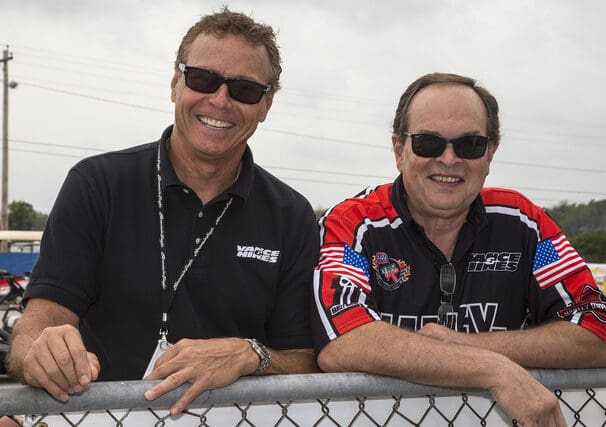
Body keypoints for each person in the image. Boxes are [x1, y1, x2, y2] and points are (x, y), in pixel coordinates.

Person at [7, 7, 319, 416]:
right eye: (202, 79)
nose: (220, 100)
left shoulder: (293, 215)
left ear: (266, 104)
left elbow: (306, 359)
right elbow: (40, 321)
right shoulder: (96, 184)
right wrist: (39, 351)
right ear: (175, 83)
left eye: (244, 89)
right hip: (93, 417)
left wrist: (250, 355)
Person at [312, 72, 606, 426]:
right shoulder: (352, 223)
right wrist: (493, 370)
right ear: (398, 150)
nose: (449, 159)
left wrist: (468, 347)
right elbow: (343, 338)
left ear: (490, 153)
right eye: (428, 143)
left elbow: (596, 326)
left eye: (469, 145)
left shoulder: (526, 225)